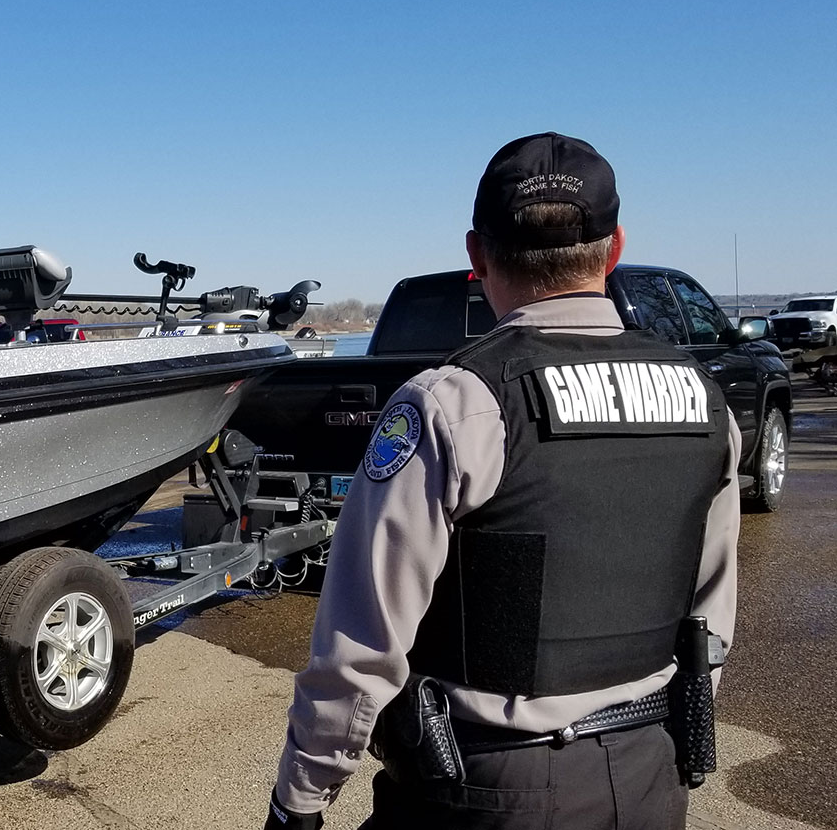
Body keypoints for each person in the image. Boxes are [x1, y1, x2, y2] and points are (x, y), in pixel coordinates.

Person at [265, 132, 740, 829]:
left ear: (476, 255)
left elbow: (361, 649)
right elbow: (711, 620)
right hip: (649, 776)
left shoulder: (453, 404)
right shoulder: (705, 400)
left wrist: (297, 802)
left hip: (487, 789)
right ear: (614, 250)